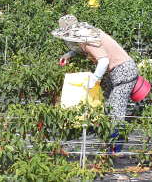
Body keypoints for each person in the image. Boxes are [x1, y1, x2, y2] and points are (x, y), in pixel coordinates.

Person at [52, 15, 138, 153]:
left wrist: (93, 79)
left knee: (116, 110)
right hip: (114, 72)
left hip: (124, 72)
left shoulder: (90, 39)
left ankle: (115, 148)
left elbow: (103, 60)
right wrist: (70, 54)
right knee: (107, 106)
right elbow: (84, 48)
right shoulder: (87, 33)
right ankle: (108, 139)